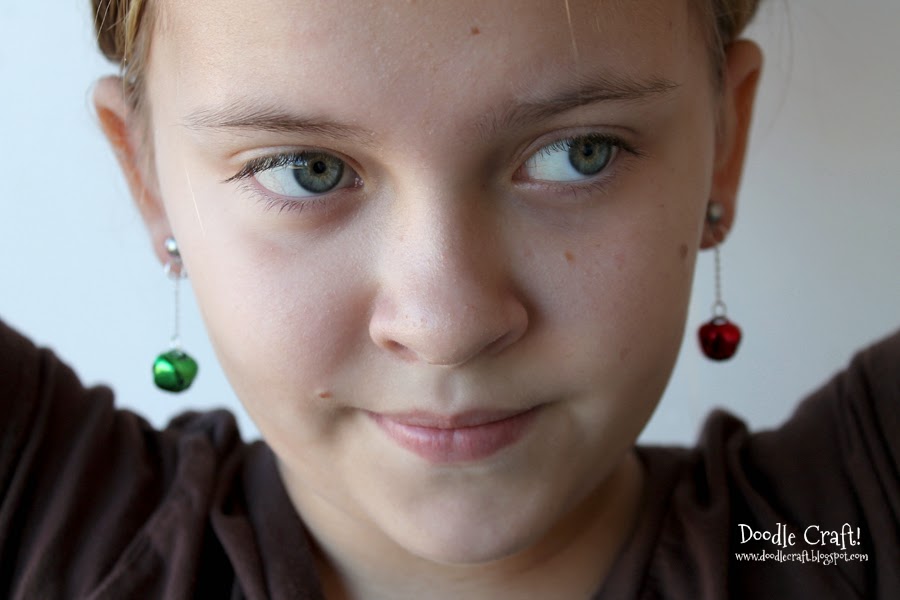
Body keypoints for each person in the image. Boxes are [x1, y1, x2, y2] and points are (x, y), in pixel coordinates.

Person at [0, 0, 897, 598]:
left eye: (579, 152)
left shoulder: (828, 543)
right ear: (147, 178)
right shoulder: (37, 519)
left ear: (723, 148)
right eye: (308, 170)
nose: (447, 326)